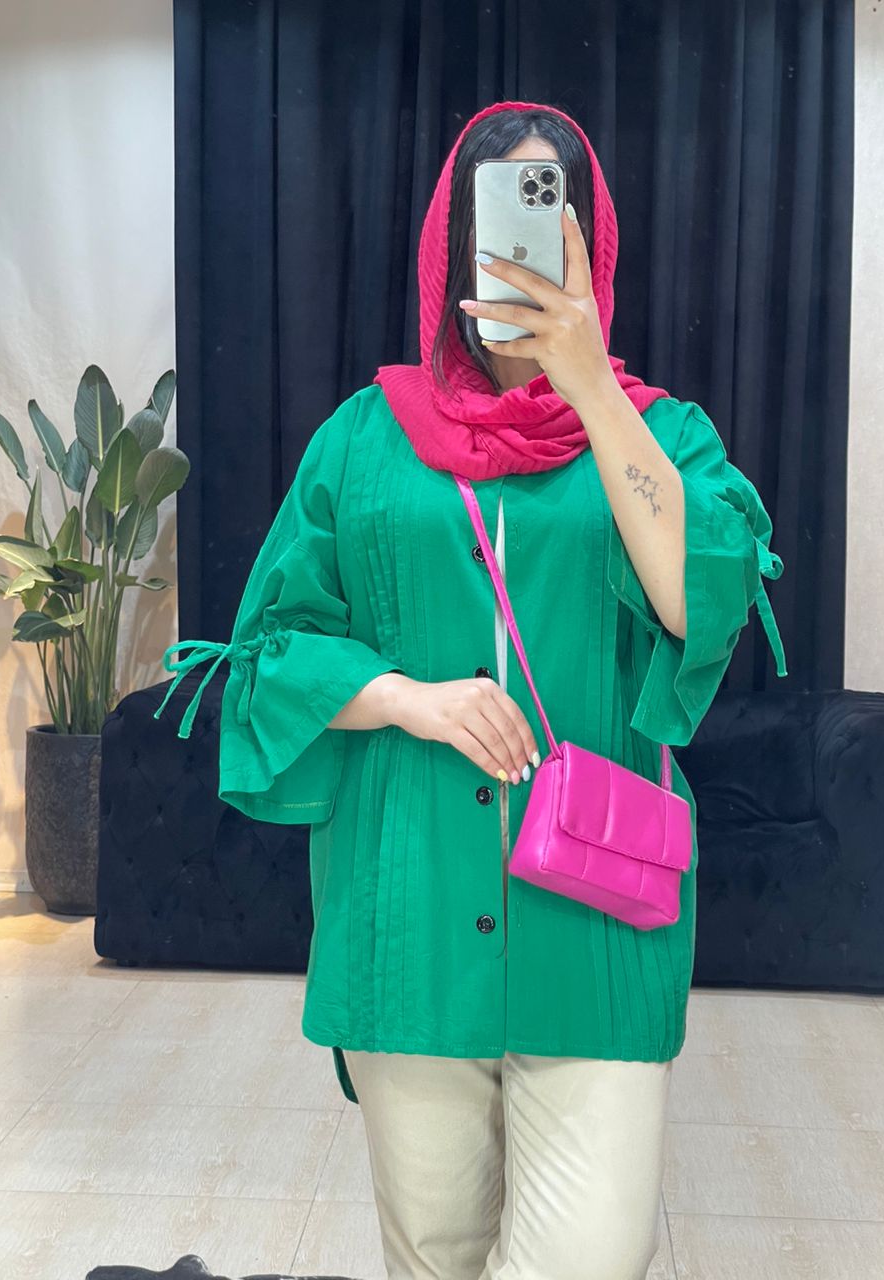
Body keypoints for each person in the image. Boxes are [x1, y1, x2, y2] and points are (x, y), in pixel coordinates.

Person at [155, 99, 787, 1280]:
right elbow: (272, 647)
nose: (525, 252)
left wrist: (592, 386)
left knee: (590, 1256)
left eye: (552, 219)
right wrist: (408, 695)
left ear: (591, 245)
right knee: (433, 1257)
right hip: (409, 916)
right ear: (453, 245)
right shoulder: (363, 439)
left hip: (597, 924)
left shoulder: (664, 437)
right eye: (501, 222)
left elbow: (697, 600)